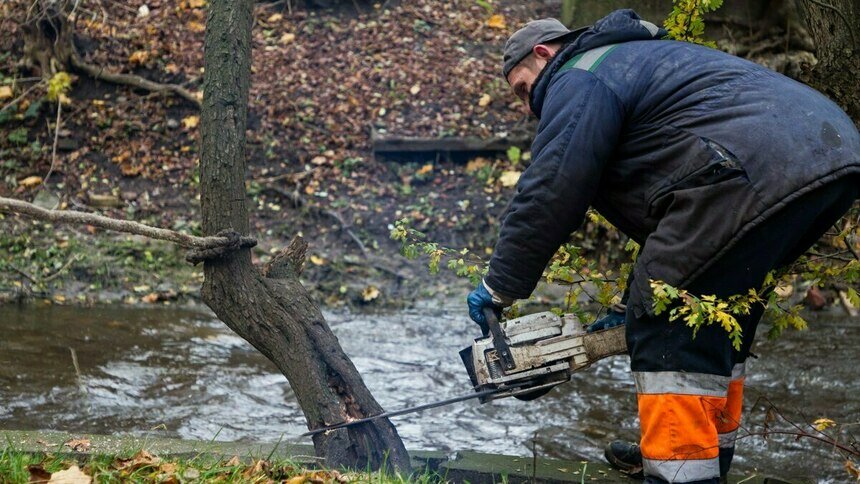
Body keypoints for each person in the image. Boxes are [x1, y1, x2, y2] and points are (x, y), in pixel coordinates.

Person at [466, 9, 859, 484]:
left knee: (665, 321)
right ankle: (699, 459)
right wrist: (629, 300)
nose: (530, 108)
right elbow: (676, 215)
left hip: (745, 174)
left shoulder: (580, 74)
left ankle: (677, 472)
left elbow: (551, 188)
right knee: (715, 314)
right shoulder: (640, 61)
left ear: (544, 53)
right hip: (827, 156)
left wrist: (500, 286)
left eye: (524, 89)